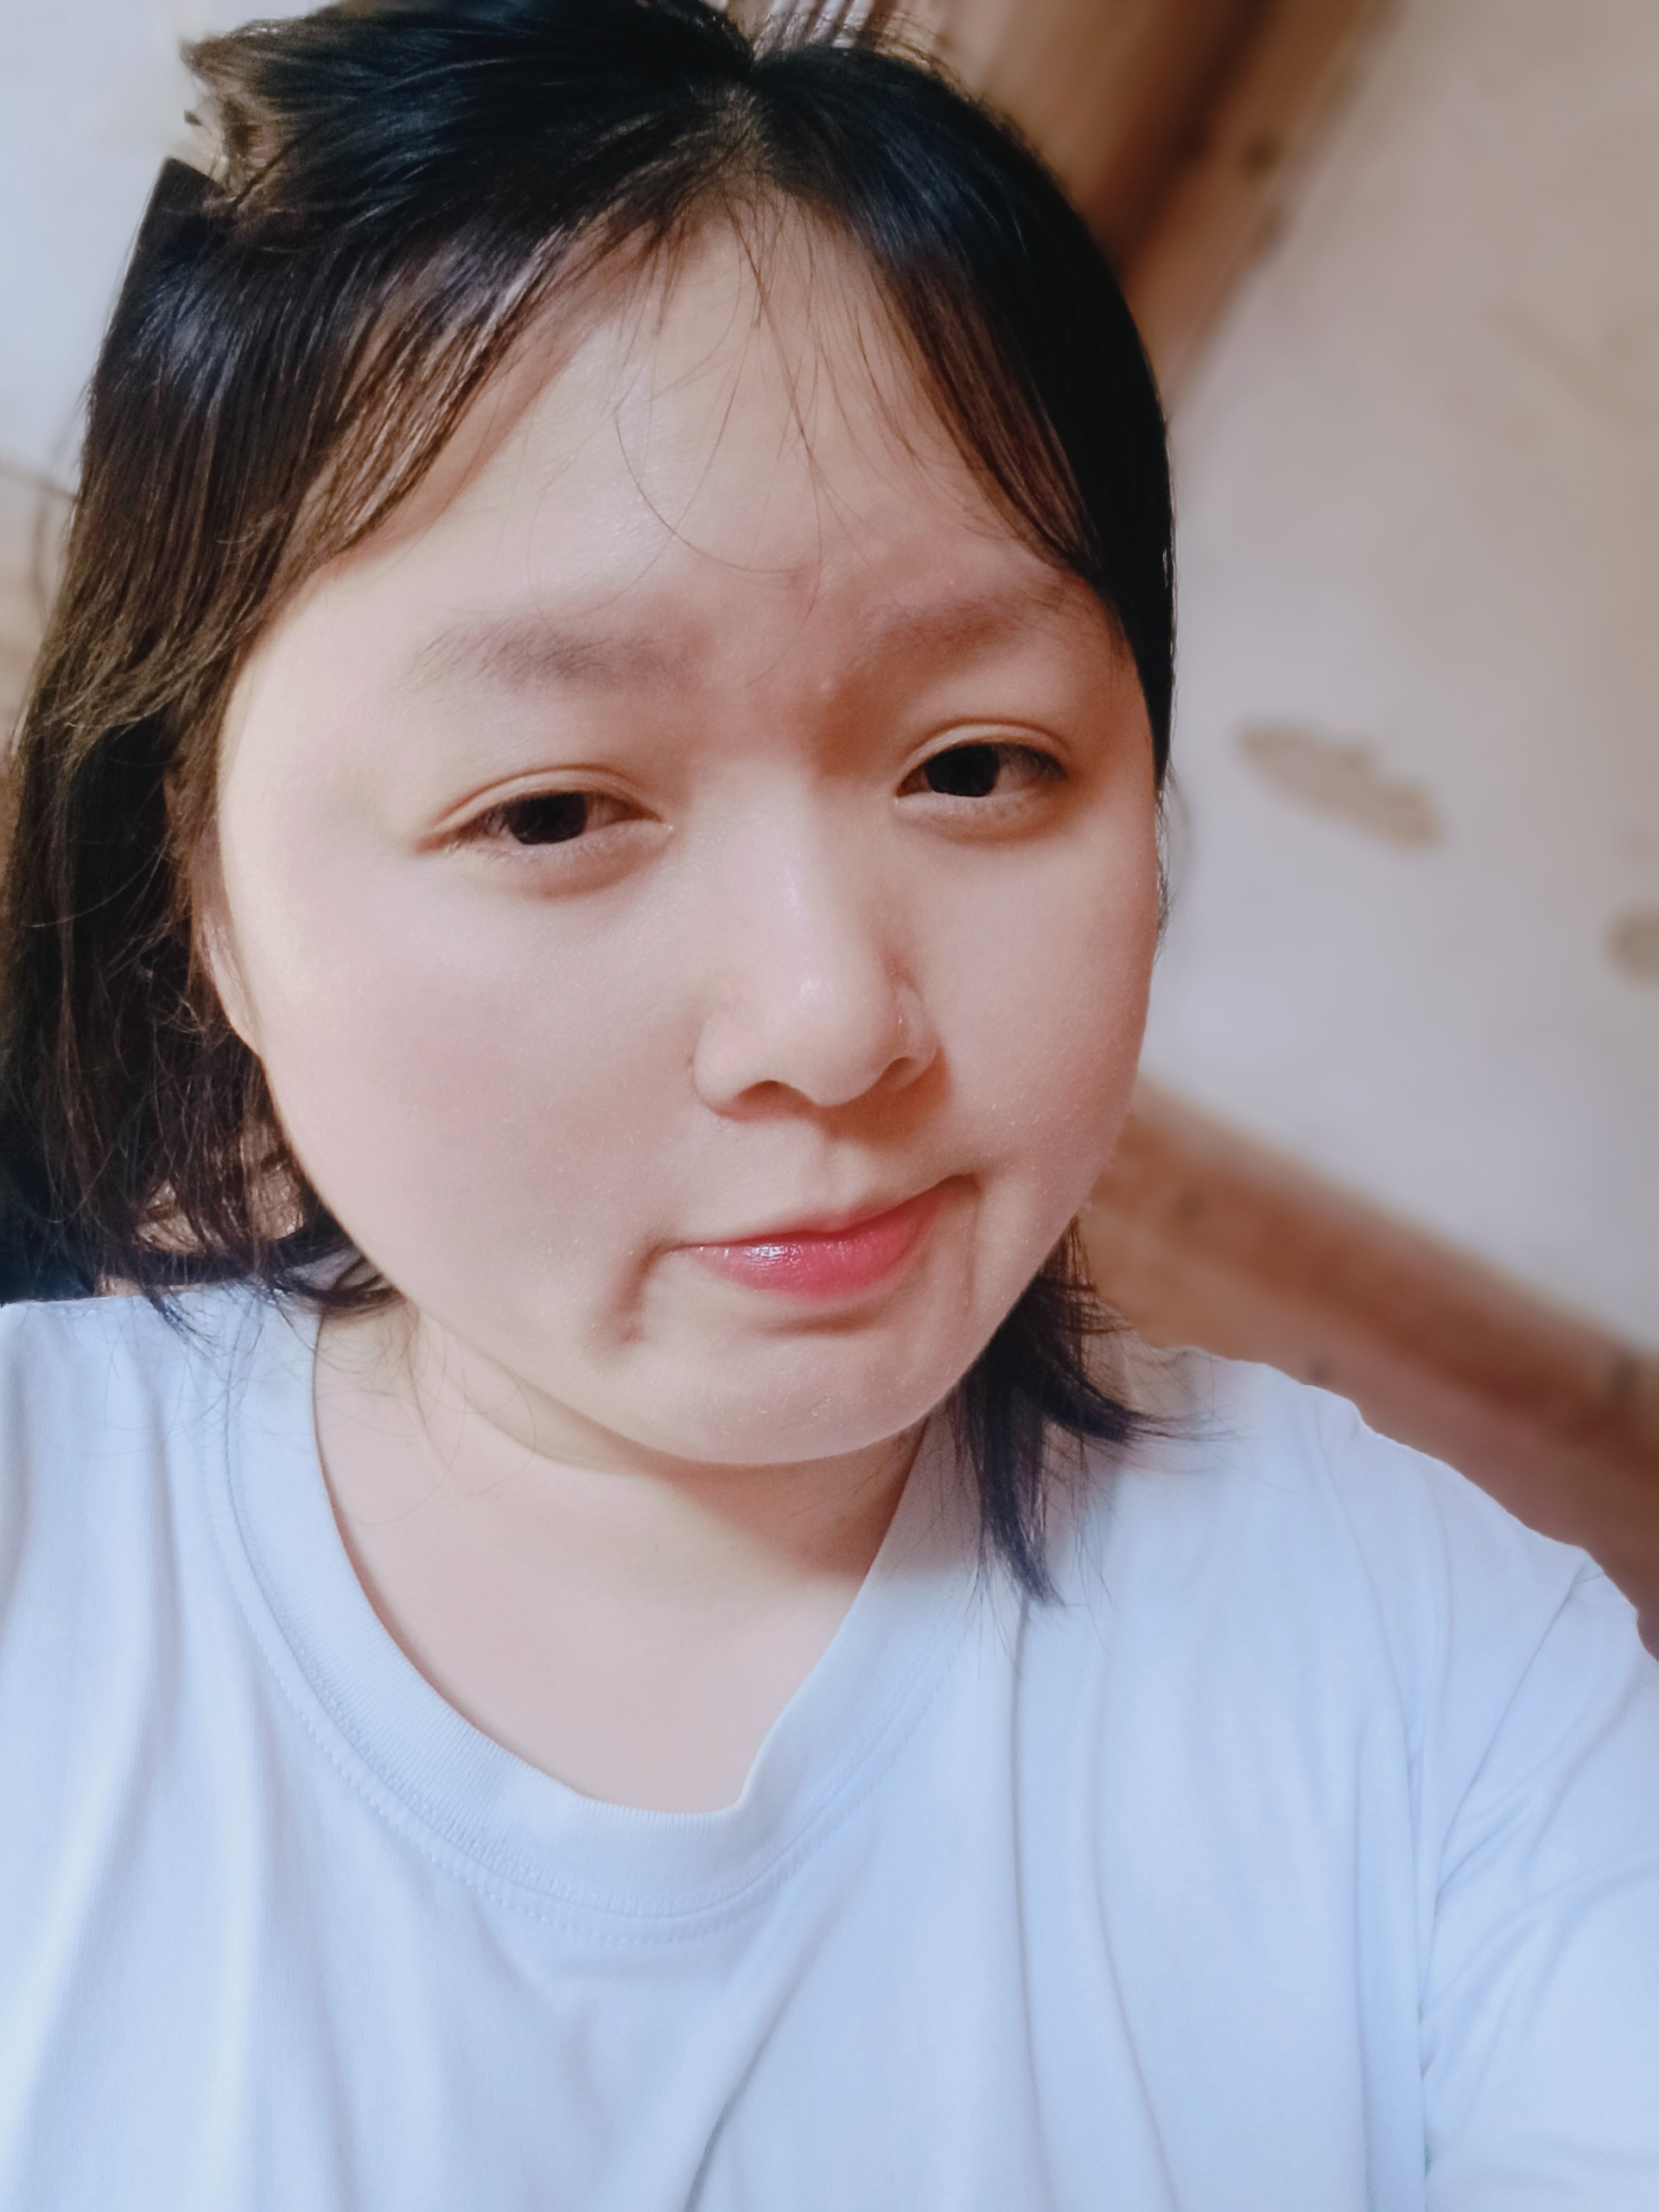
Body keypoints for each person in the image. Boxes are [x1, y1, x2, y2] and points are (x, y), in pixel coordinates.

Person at [0, 2, 1653, 2204]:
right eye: (553, 807)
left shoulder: (1442, 1680)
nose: (827, 1016)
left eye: (976, 764)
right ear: (205, 889)